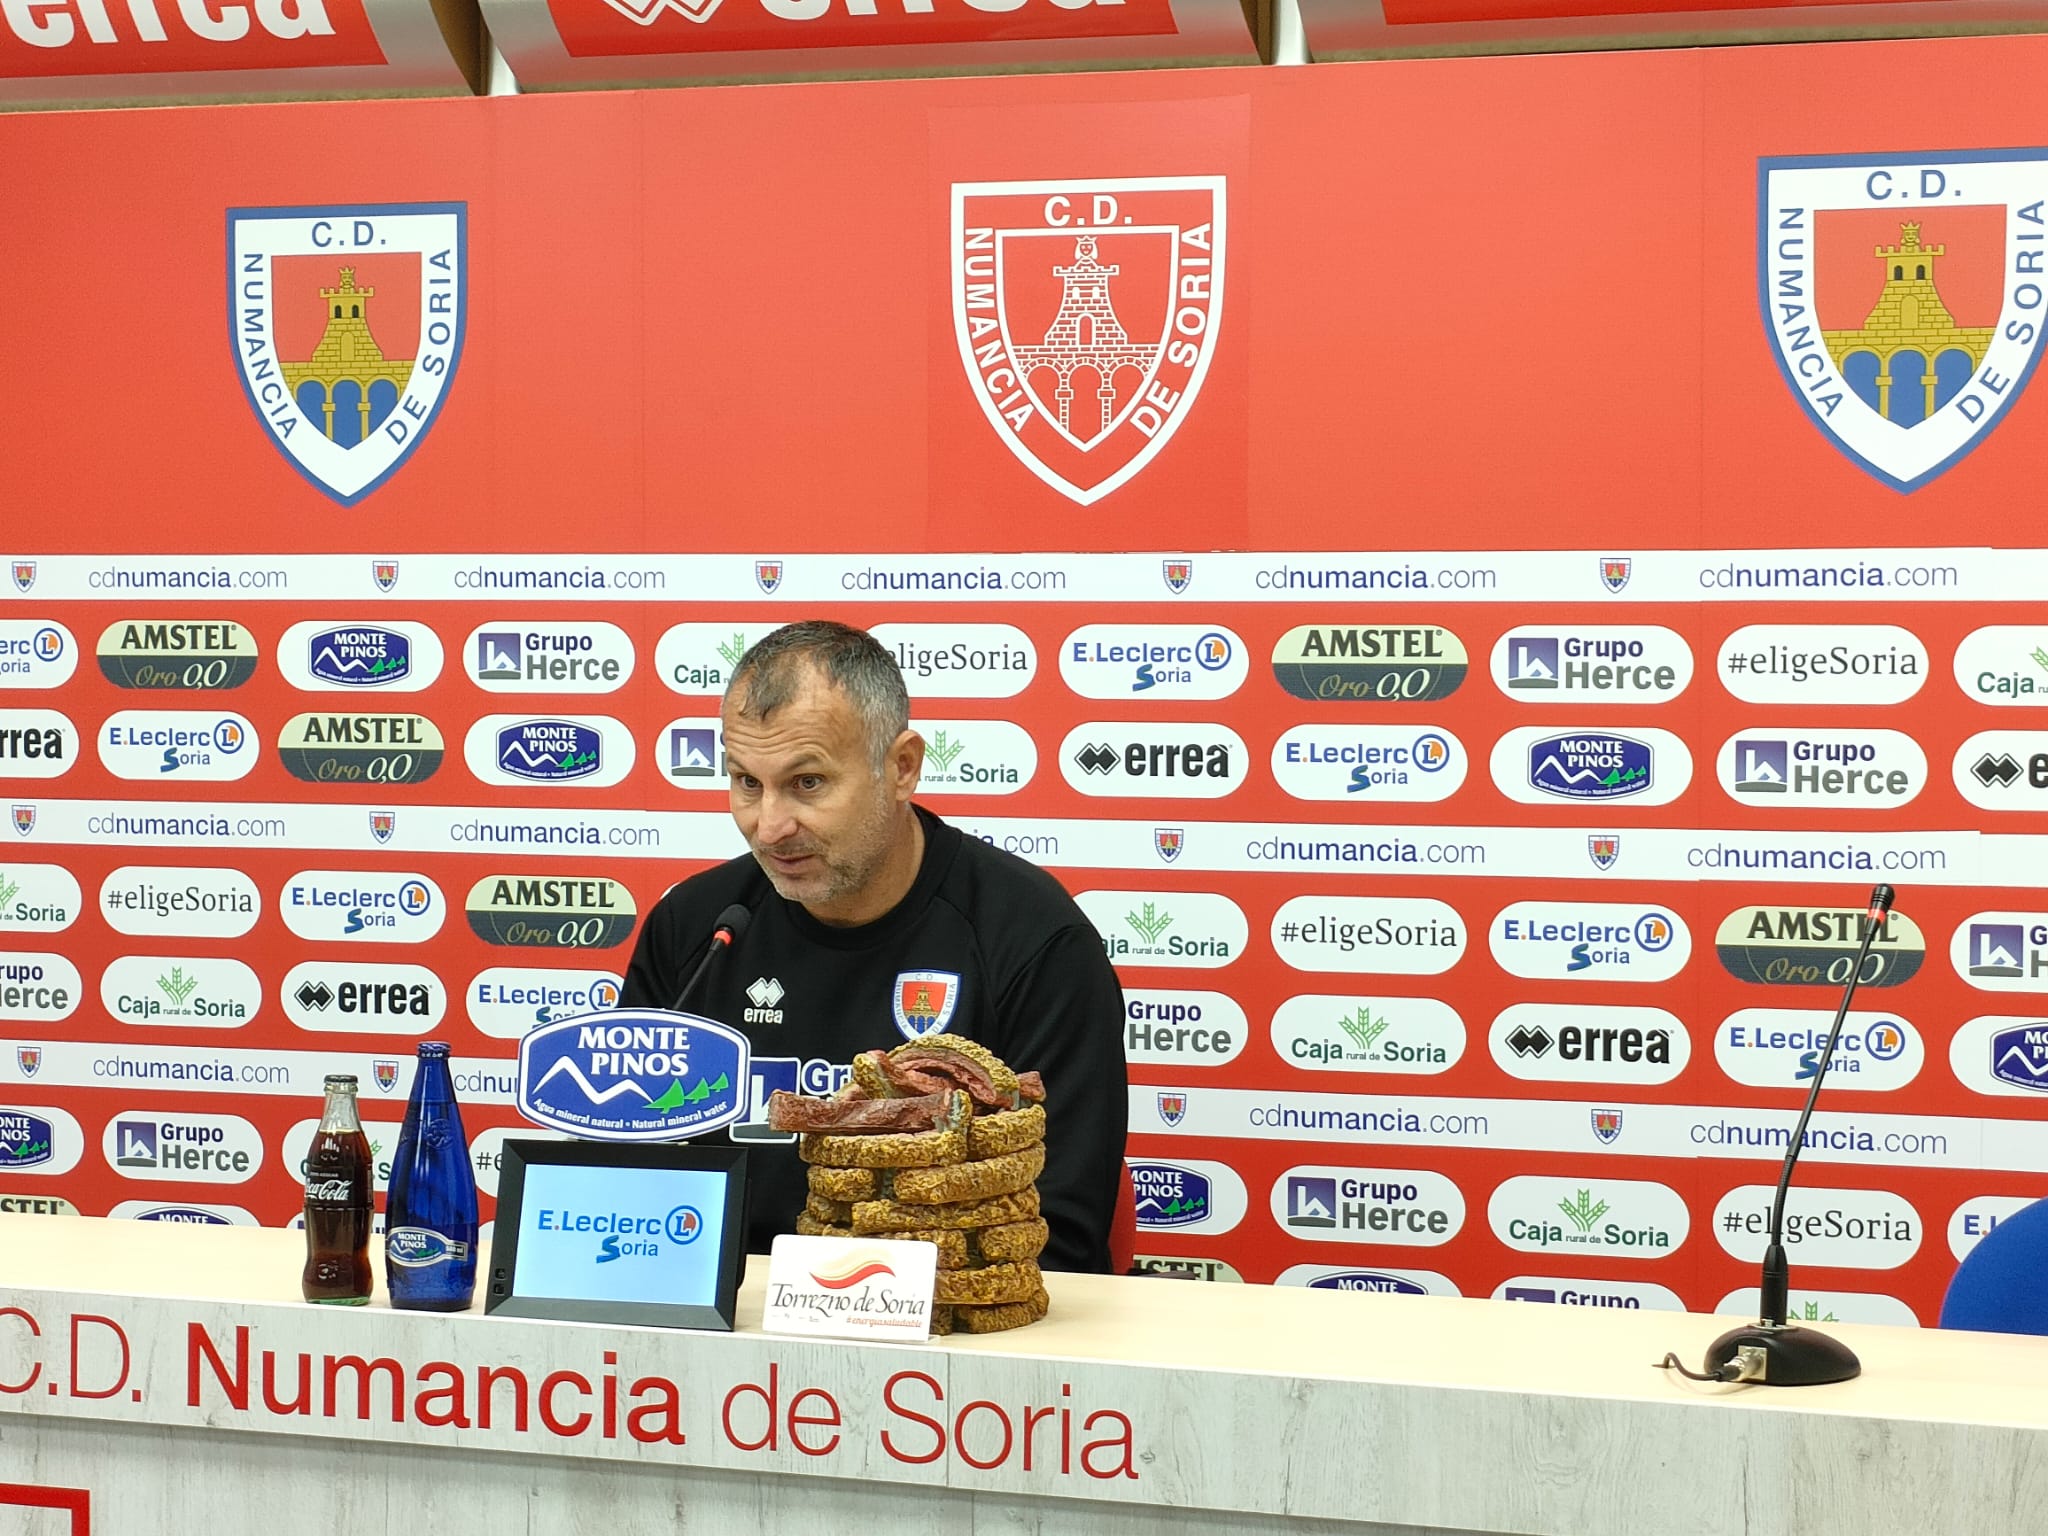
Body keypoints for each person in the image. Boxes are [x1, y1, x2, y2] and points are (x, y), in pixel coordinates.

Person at [620, 619, 1129, 1273]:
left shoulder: (1034, 943)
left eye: (807, 783)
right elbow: (616, 1183)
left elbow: (1054, 1242)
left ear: (902, 768)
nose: (769, 826)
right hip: (723, 1333)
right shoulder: (697, 928)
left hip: (938, 1346)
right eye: (747, 781)